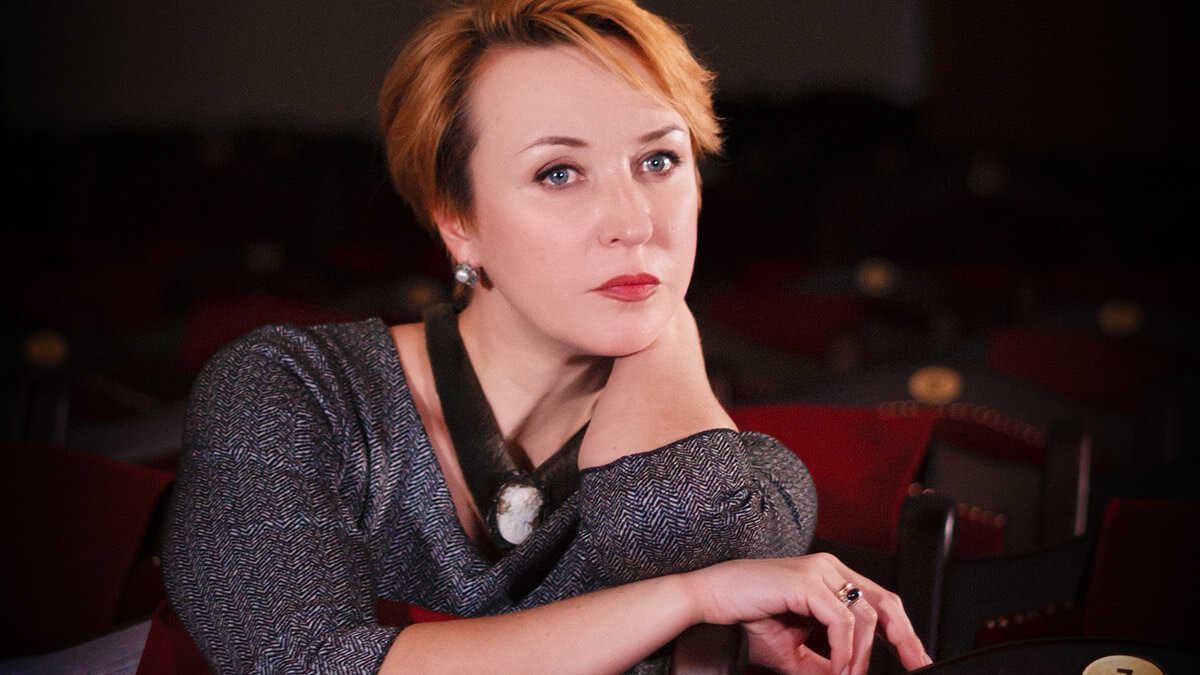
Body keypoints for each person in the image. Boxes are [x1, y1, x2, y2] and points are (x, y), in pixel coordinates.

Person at [160, 0, 934, 672]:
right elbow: (303, 664)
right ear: (458, 219)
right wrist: (687, 598)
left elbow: (665, 521)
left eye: (660, 159)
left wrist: (664, 324)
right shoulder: (287, 392)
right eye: (559, 172)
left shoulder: (749, 484)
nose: (634, 223)